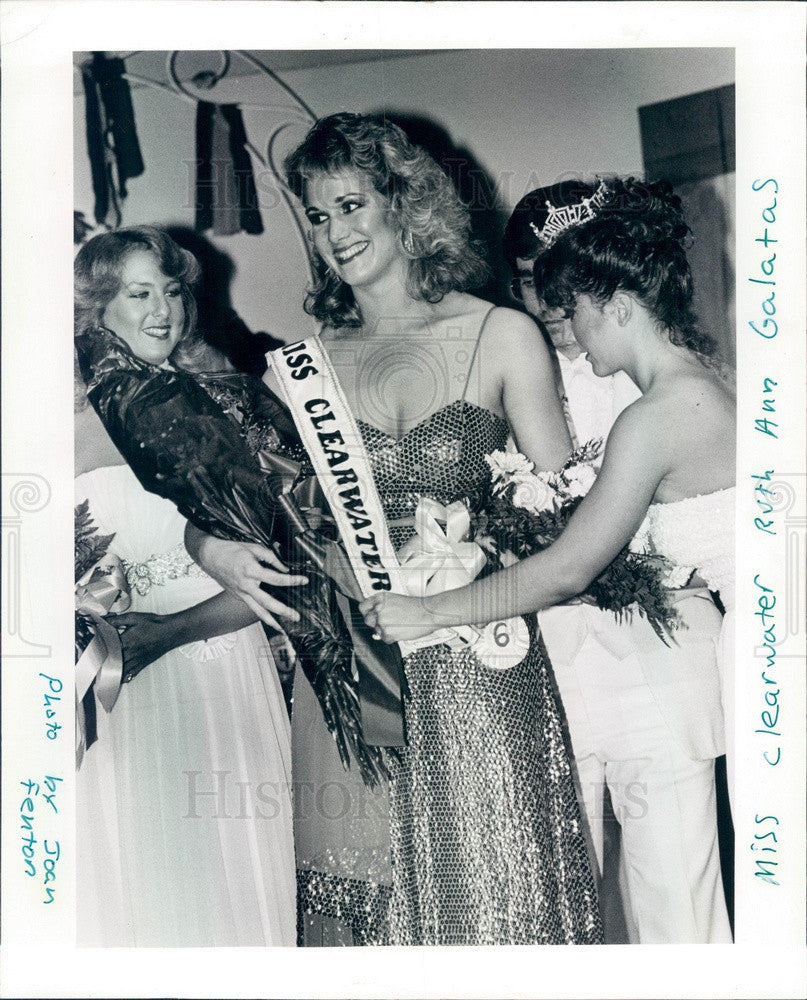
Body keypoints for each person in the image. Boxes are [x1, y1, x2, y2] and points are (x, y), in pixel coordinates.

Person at [363, 176, 735, 944]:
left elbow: (580, 555)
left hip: (662, 664)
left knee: (678, 905)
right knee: (559, 902)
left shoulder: (657, 395)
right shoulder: (516, 369)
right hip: (550, 672)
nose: (547, 311)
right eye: (532, 286)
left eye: (560, 290)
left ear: (604, 285)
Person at [268, 112, 602, 946]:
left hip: (477, 665)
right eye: (317, 215)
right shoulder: (303, 365)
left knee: (493, 902)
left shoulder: (500, 332)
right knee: (364, 912)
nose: (334, 232)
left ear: (403, 202)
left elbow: (564, 512)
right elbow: (284, 525)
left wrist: (476, 551)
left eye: (349, 205)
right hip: (356, 673)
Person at [73, 231, 303, 945]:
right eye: (140, 293)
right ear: (98, 308)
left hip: (220, 664)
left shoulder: (227, 403)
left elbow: (285, 573)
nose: (162, 309)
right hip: (114, 687)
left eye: (173, 291)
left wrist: (170, 633)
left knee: (232, 879)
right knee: (137, 888)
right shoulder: (66, 424)